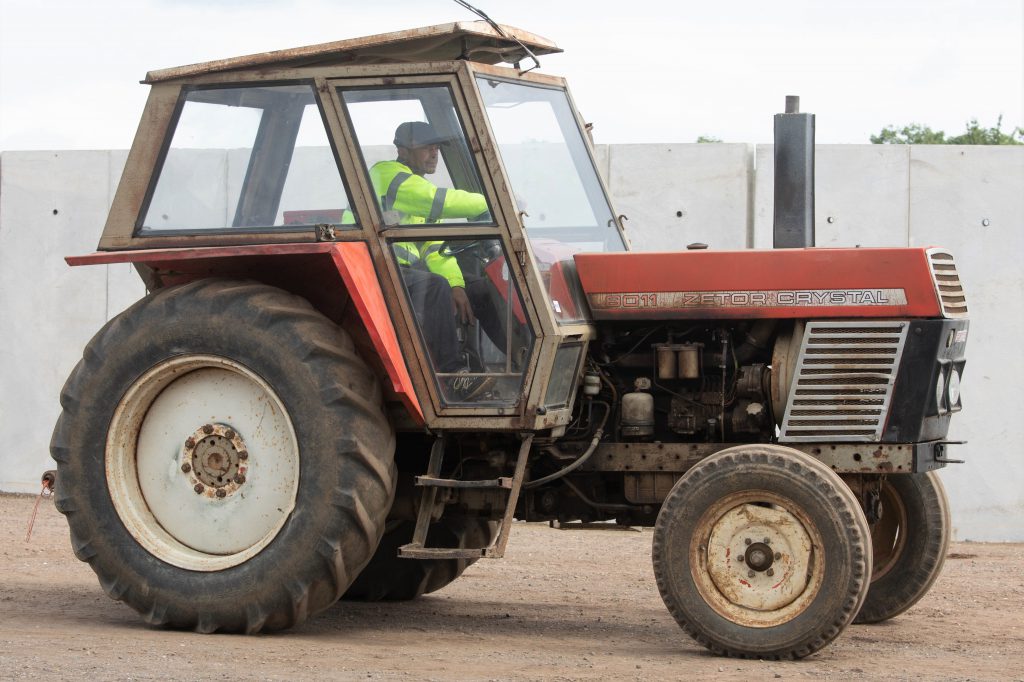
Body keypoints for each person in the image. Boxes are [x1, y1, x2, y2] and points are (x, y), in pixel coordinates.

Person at [370, 122, 503, 398]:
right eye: (426, 148)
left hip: (404, 271)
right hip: (375, 266)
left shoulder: (417, 192)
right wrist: (500, 202)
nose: (434, 154)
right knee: (434, 286)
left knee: (479, 288)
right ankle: (453, 375)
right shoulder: (388, 175)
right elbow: (437, 201)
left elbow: (434, 249)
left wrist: (457, 285)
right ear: (403, 151)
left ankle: (513, 364)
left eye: (437, 148)